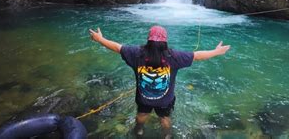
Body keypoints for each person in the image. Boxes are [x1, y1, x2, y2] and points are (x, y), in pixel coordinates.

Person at [89, 25, 230, 138]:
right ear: (165, 41)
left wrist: (99, 39)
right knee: (164, 117)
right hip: (165, 101)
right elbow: (198, 56)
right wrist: (216, 51)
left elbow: (116, 47)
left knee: (142, 114)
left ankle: (139, 131)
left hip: (143, 99)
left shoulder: (136, 53)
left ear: (148, 40)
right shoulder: (174, 56)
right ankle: (167, 136)